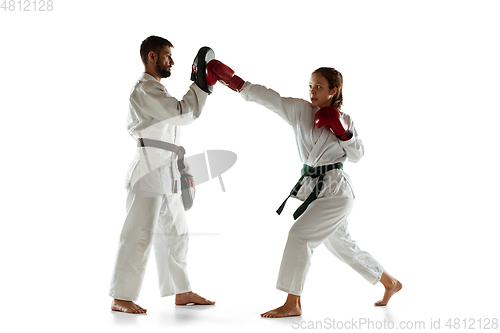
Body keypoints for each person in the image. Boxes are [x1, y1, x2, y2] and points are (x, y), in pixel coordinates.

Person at [205, 61, 402, 318]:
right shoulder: (300, 110)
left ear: (334, 90)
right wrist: (235, 82)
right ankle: (390, 282)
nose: (312, 91)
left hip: (337, 191)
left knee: (299, 236)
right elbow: (270, 98)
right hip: (316, 191)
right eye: (310, 86)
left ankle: (293, 303)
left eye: (318, 87)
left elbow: (358, 155)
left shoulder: (346, 120)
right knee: (344, 246)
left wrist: (343, 133)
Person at [109, 36, 215, 314]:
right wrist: (201, 85)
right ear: (152, 57)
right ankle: (121, 297)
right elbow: (181, 114)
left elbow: (179, 116)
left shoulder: (157, 89)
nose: (172, 61)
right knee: (139, 234)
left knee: (178, 232)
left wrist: (202, 86)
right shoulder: (144, 89)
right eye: (167, 56)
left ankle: (182, 290)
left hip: (166, 169)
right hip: (148, 170)